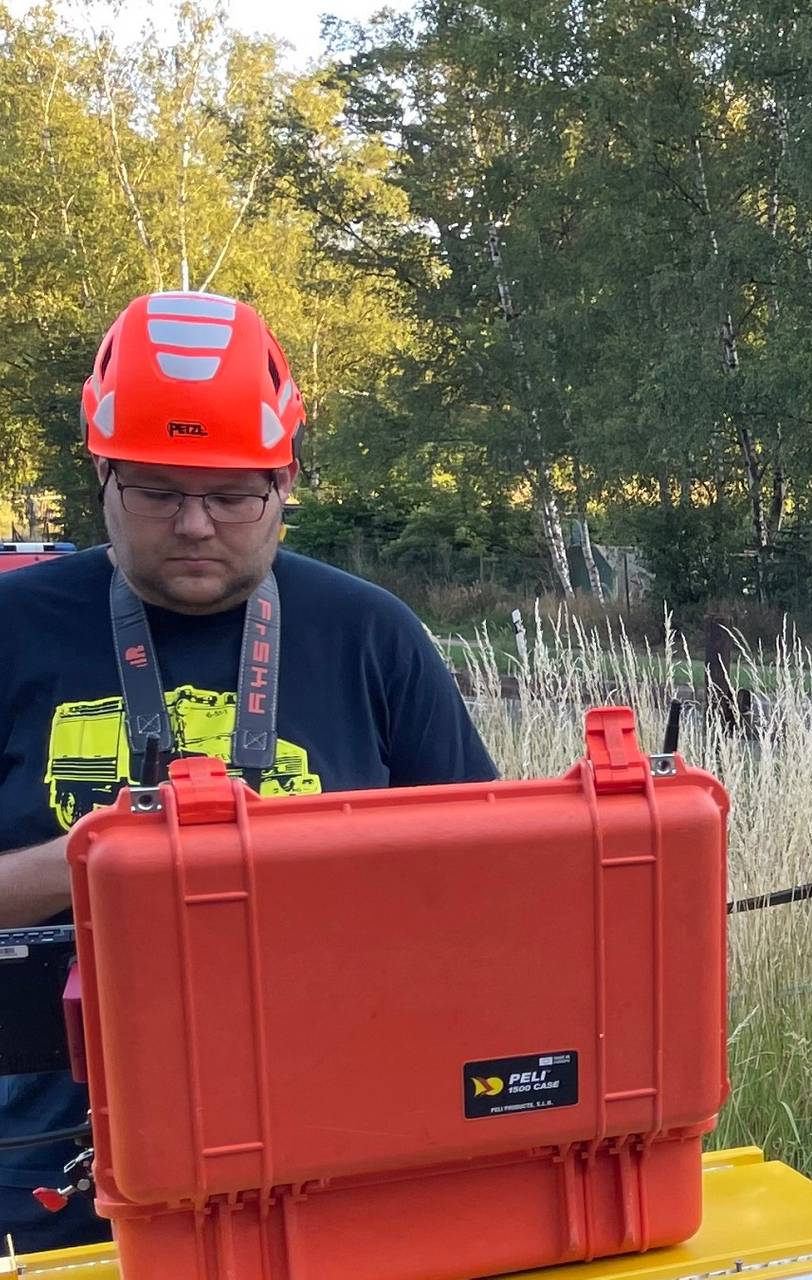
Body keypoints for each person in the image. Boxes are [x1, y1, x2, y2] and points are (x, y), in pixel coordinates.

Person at [0, 291, 498, 1250]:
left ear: (285, 479)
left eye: (232, 495)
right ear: (100, 473)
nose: (194, 525)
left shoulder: (370, 635)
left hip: (335, 1139)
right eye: (156, 491)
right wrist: (98, 857)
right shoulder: (13, 628)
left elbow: (487, 885)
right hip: (41, 1164)